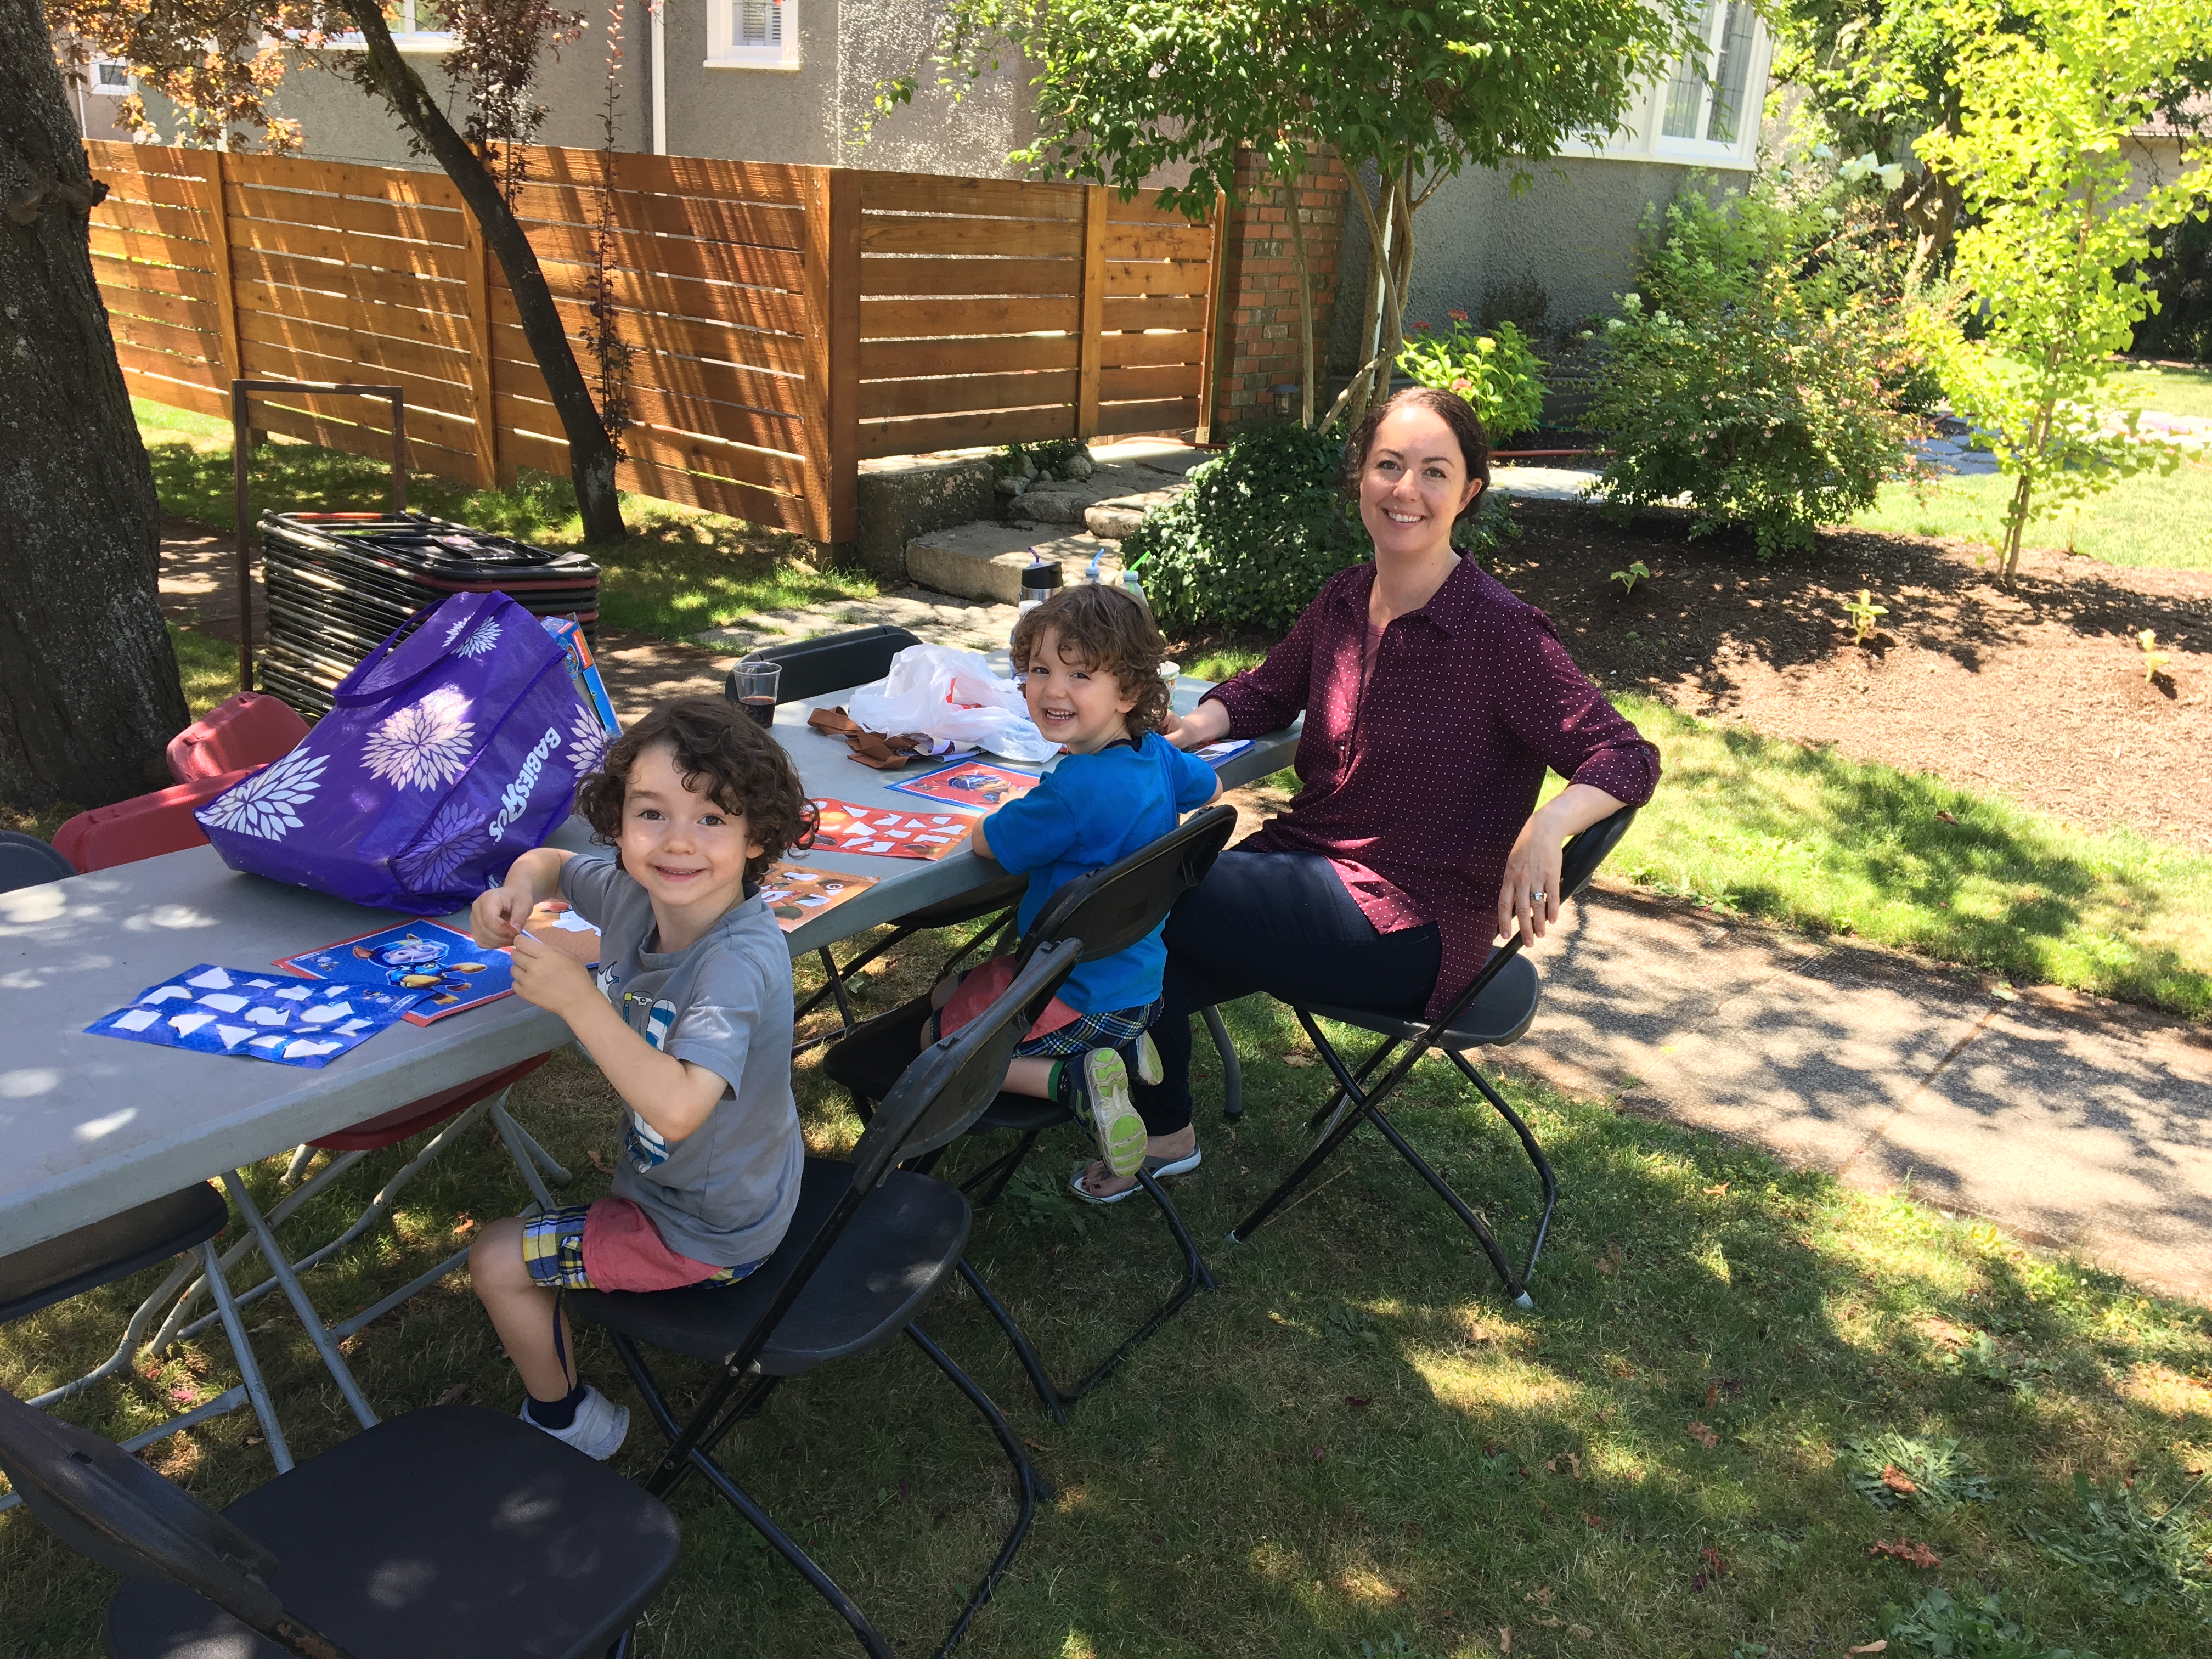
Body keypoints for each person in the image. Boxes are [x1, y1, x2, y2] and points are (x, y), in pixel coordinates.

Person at [1071, 385, 1662, 1201]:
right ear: (1361, 479)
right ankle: (1159, 1129)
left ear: (1469, 494)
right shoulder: (1347, 599)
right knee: (1141, 938)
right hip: (1305, 871)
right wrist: (1197, 724)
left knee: (1132, 895)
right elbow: (1268, 690)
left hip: (1411, 923)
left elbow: (1625, 754)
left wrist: (1550, 823)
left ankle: (1027, 1066)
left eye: (1433, 472)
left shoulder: (1500, 631)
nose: (1405, 490)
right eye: (1388, 466)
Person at [465, 696, 815, 1459]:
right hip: (740, 1182)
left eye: (713, 819)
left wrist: (579, 1000)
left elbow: (683, 1108)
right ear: (618, 822)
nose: (678, 844)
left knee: (496, 1260)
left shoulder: (734, 962)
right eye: (651, 814)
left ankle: (568, 1423)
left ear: (759, 837)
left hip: (707, 1230)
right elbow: (554, 863)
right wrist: (519, 890)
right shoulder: (636, 896)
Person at [924, 582, 1222, 1182]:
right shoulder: (1156, 755)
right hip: (1139, 987)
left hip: (1073, 994)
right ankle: (1120, 1053)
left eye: (1080, 675)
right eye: (1039, 669)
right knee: (947, 987)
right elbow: (1211, 791)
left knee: (935, 1036)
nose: (1053, 690)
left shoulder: (1071, 794)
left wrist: (995, 812)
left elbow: (990, 843)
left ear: (1129, 691)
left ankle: (1071, 1079)